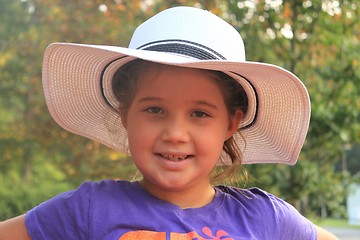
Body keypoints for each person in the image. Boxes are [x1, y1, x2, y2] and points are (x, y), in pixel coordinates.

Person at [0, 6, 338, 240]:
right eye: (154, 110)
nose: (175, 134)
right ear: (124, 113)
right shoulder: (87, 210)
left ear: (232, 123)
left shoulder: (267, 219)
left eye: (200, 114)